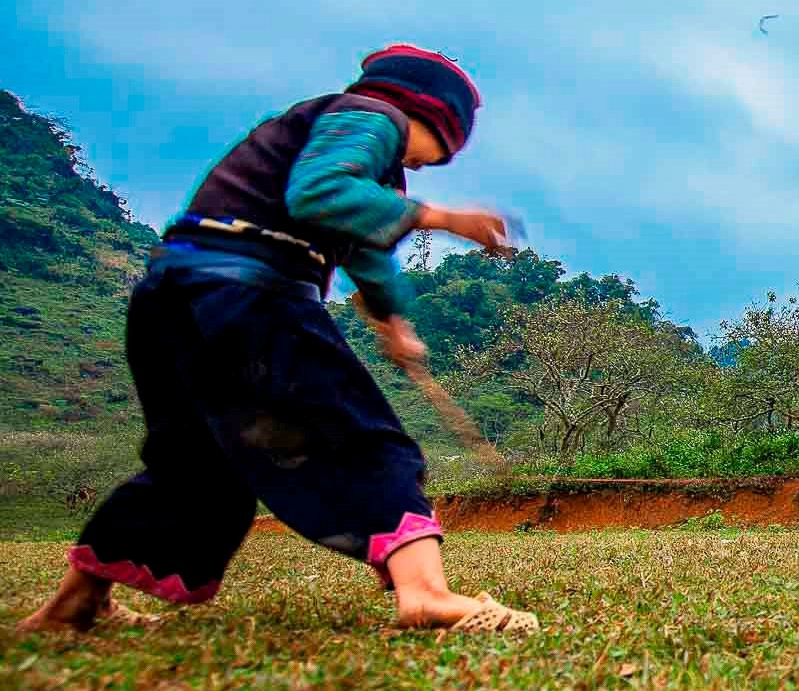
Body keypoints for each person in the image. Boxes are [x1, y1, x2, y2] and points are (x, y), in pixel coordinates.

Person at [18, 44, 538, 634]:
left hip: (173, 299)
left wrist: (393, 320)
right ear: (428, 114)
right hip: (253, 297)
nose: (422, 168)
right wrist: (443, 218)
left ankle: (73, 604)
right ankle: (425, 594)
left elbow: (364, 249)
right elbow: (318, 194)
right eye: (438, 153)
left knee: (194, 462)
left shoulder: (337, 137)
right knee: (361, 437)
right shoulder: (373, 117)